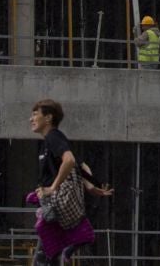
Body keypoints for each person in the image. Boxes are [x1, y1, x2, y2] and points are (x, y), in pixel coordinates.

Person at [27, 98, 111, 264]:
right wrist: (90, 186)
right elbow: (80, 165)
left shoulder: (53, 137)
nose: (31, 119)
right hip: (52, 207)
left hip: (56, 205)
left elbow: (70, 160)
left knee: (44, 258)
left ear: (48, 118)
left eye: (35, 114)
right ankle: (66, 249)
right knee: (50, 256)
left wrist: (52, 187)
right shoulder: (51, 141)